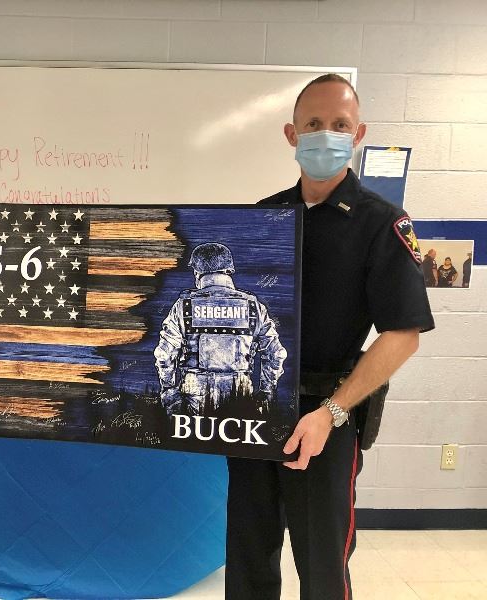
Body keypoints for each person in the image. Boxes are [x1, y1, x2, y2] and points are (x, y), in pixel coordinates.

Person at [225, 74, 435, 600]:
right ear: (291, 134)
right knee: (248, 557)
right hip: (254, 413)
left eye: (339, 125)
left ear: (358, 132)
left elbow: (403, 334)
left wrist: (332, 413)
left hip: (328, 417)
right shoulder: (262, 218)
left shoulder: (382, 224)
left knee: (321, 566)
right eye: (313, 124)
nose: (326, 135)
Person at [154, 242, 286, 416]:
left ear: (197, 273)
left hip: (194, 394)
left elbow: (164, 354)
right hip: (240, 393)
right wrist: (267, 392)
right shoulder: (254, 306)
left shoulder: (183, 306)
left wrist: (169, 391)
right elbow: (276, 353)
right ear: (229, 271)